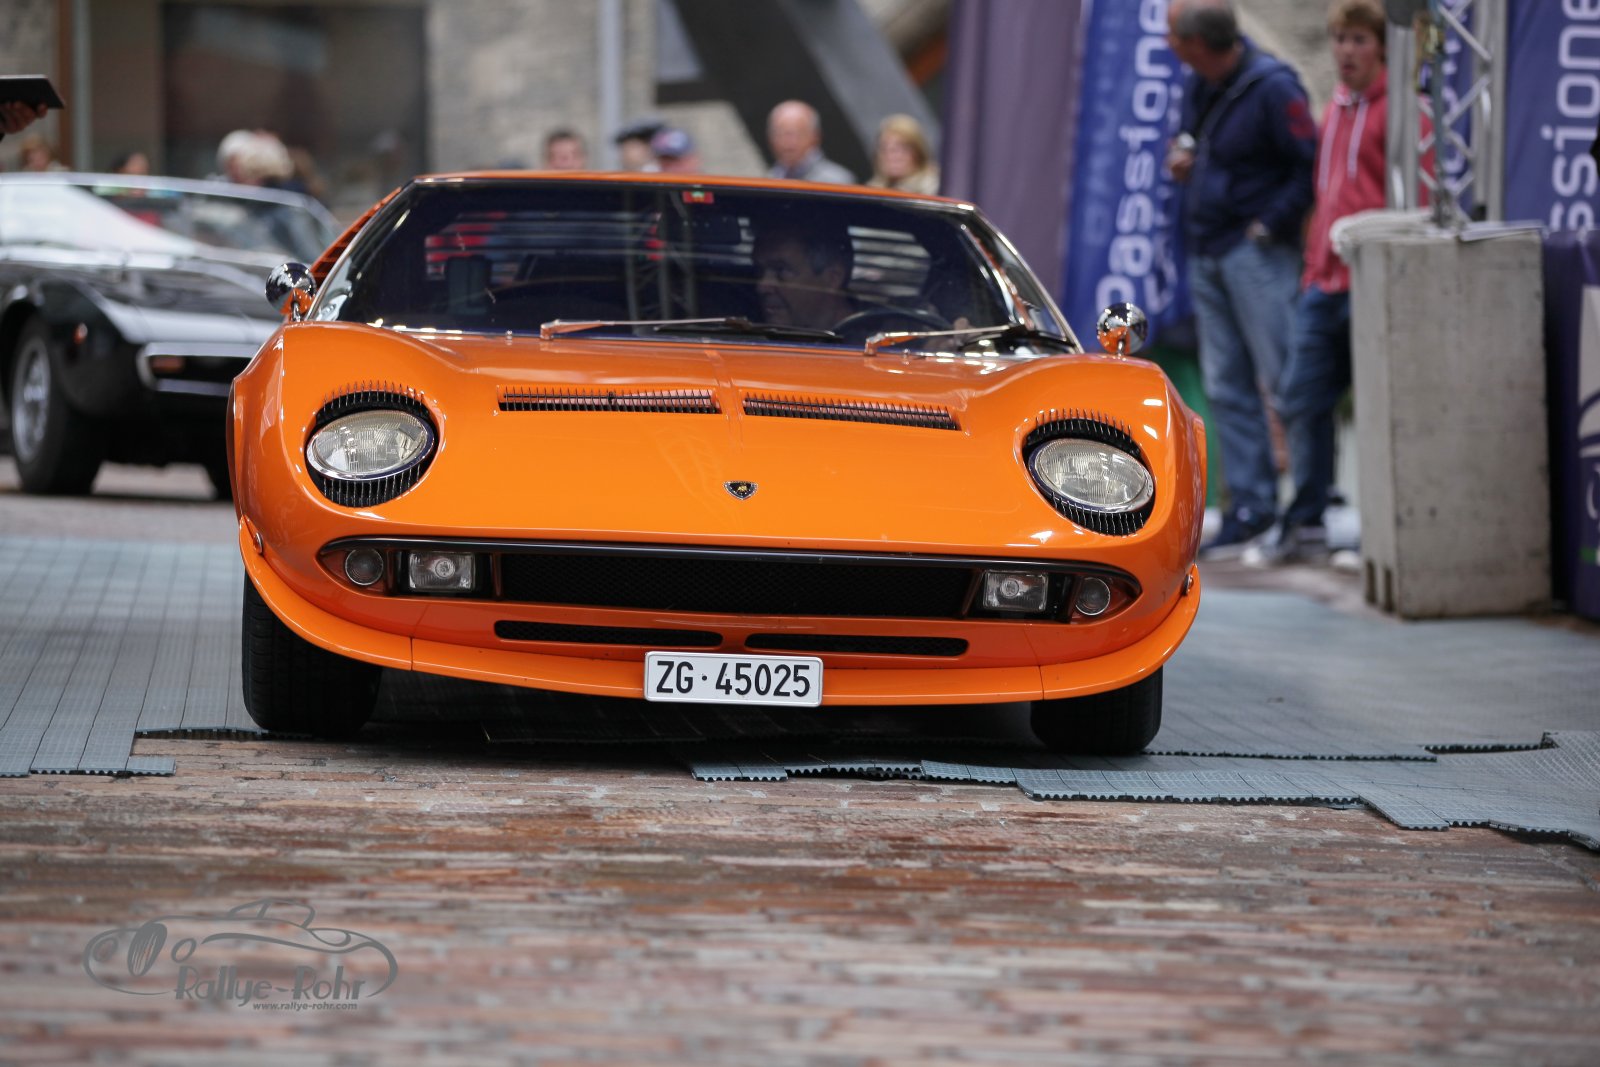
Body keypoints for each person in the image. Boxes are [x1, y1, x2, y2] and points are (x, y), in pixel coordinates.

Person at [1249, 0, 1410, 565]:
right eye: (1341, 39)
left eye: (1359, 40)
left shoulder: (1405, 112)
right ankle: (1307, 523)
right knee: (1300, 398)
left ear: (1382, 48)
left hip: (1374, 282)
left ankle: (1381, 533)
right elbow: (1325, 194)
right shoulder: (1336, 107)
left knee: (1380, 408)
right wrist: (1315, 266)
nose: (1346, 51)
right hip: (1324, 283)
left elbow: (1412, 200)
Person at [1166, 0, 1317, 559]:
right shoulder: (1200, 84)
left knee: (1284, 378)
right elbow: (1191, 140)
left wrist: (1268, 226)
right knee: (1227, 385)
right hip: (1209, 249)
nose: (1170, 48)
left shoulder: (1273, 87)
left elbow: (1309, 164)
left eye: (1175, 40)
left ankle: (1308, 512)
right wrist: (1183, 160)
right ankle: (1251, 509)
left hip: (1256, 254)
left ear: (1197, 44)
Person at [752, 219, 855, 331]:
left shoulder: (866, 338)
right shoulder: (748, 333)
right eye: (759, 271)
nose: (761, 287)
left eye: (781, 270)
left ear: (833, 278)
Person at [766, 100, 855, 184]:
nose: (789, 142)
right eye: (782, 134)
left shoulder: (837, 181)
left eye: (798, 134)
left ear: (815, 137)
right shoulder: (768, 179)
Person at [867, 113, 939, 195]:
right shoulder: (870, 192)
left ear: (918, 152)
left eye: (902, 148)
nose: (891, 156)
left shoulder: (937, 191)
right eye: (884, 148)